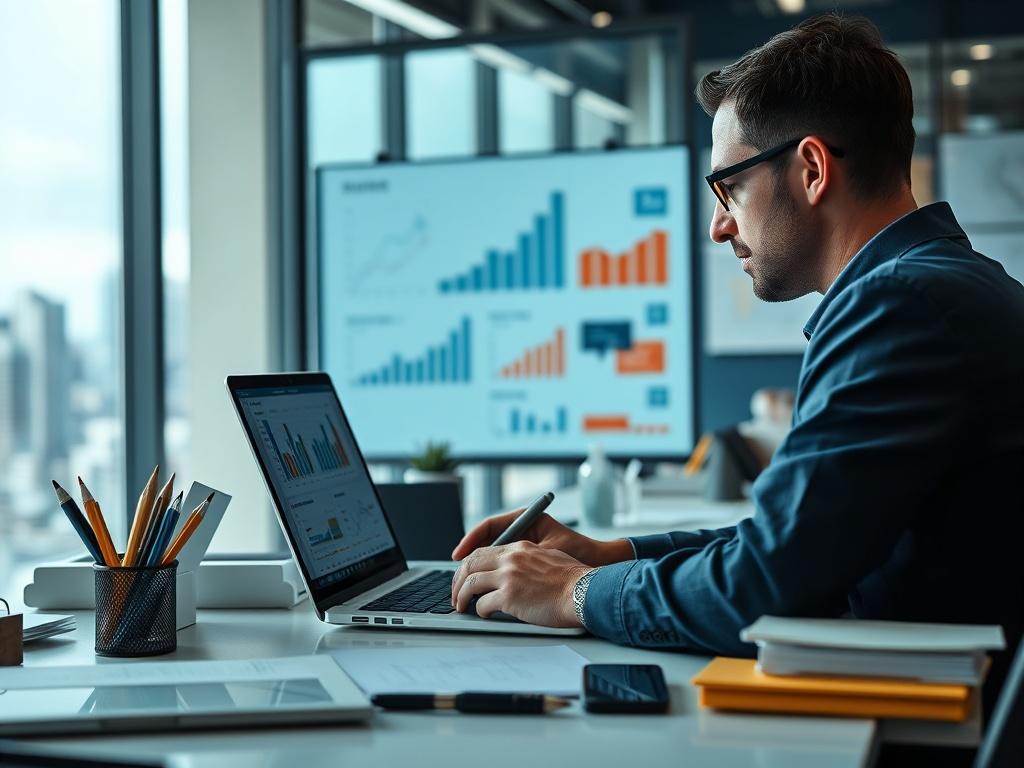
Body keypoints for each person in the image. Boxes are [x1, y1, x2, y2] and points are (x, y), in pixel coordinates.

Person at [449, 13, 1024, 675]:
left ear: (812, 169)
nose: (719, 226)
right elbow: (798, 541)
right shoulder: (946, 285)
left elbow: (769, 583)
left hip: (930, 710)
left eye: (730, 186)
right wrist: (614, 557)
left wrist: (572, 592)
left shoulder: (899, 305)